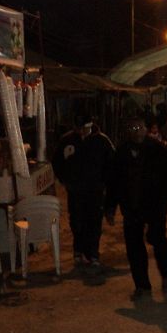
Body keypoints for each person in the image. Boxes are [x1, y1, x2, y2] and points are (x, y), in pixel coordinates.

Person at [105, 117, 167, 300]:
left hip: (155, 205)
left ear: (145, 129)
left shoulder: (158, 149)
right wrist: (110, 207)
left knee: (157, 238)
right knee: (134, 246)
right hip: (131, 207)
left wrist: (164, 199)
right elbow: (114, 181)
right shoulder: (122, 153)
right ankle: (142, 286)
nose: (137, 131)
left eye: (140, 127)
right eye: (133, 127)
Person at [51, 115, 114, 269]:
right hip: (75, 190)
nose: (81, 132)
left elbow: (112, 163)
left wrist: (104, 182)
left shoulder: (102, 141)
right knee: (77, 221)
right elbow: (57, 161)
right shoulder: (67, 141)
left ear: (90, 126)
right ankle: (78, 251)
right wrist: (65, 180)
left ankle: (93, 254)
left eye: (84, 128)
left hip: (95, 190)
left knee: (94, 221)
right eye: (78, 128)